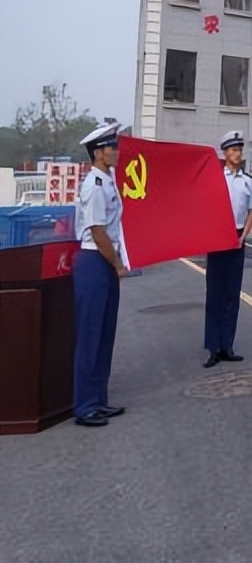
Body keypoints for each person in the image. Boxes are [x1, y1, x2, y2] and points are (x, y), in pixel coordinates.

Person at [72, 121, 128, 427]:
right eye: (112, 147)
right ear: (98, 153)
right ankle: (84, 405)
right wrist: (118, 263)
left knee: (105, 336)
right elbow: (98, 231)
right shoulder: (93, 186)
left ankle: (99, 399)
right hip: (95, 261)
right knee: (90, 337)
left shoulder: (108, 181)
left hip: (104, 262)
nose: (117, 152)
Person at [203, 130, 252, 368]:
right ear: (224, 153)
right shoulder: (215, 178)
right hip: (217, 237)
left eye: (239, 150)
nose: (237, 154)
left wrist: (243, 236)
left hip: (237, 237)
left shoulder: (248, 181)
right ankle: (213, 347)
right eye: (233, 150)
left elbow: (251, 211)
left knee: (231, 295)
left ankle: (227, 345)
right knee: (215, 293)